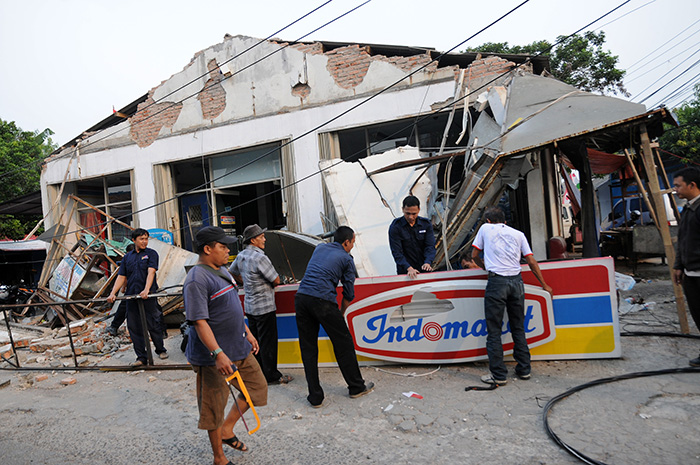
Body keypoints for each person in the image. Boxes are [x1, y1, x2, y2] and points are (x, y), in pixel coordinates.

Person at [184, 226, 267, 465]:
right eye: (223, 247)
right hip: (214, 357)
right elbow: (199, 322)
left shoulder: (222, 271)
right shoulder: (196, 280)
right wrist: (217, 354)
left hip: (239, 346)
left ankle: (227, 429)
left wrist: (248, 332)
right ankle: (219, 458)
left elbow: (233, 307)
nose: (228, 251)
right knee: (213, 407)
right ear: (207, 249)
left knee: (257, 388)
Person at [471, 207, 553, 385]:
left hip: (497, 283)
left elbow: (474, 254)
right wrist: (544, 285)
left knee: (494, 331)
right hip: (517, 283)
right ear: (505, 222)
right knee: (518, 327)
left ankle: (499, 375)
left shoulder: (485, 229)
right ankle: (524, 369)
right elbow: (531, 260)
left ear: (488, 221)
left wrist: (484, 266)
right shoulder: (519, 234)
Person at [295, 225, 374, 407]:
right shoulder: (347, 259)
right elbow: (348, 294)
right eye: (353, 242)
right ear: (346, 242)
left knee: (308, 348)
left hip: (301, 298)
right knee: (343, 343)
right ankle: (356, 387)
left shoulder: (320, 247)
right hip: (322, 301)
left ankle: (315, 397)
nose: (353, 246)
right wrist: (341, 313)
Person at [229, 224, 293, 385]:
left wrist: (247, 283)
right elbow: (276, 280)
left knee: (255, 342)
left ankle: (257, 374)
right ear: (253, 240)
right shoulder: (260, 258)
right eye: (261, 236)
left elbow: (232, 271)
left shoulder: (242, 255)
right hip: (265, 307)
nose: (264, 239)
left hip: (250, 307)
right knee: (268, 343)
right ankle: (271, 376)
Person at [107, 229, 167, 366]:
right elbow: (121, 276)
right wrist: (113, 293)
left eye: (146, 239)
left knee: (153, 323)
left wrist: (146, 290)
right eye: (141, 239)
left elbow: (151, 272)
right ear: (134, 240)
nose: (144, 241)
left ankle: (160, 349)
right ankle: (141, 357)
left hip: (148, 295)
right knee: (134, 327)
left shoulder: (151, 254)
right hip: (131, 296)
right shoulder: (127, 257)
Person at [672, 167, 700, 367]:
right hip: (690, 273)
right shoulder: (688, 209)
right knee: (698, 315)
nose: (675, 190)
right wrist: (678, 265)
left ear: (692, 185)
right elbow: (683, 240)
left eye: (678, 186)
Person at [388, 195, 436, 278]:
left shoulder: (426, 224)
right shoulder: (396, 227)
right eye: (407, 213)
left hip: (424, 268)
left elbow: (430, 246)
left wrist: (428, 262)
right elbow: (397, 252)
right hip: (405, 271)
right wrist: (409, 268)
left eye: (414, 214)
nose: (411, 217)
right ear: (403, 209)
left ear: (419, 210)